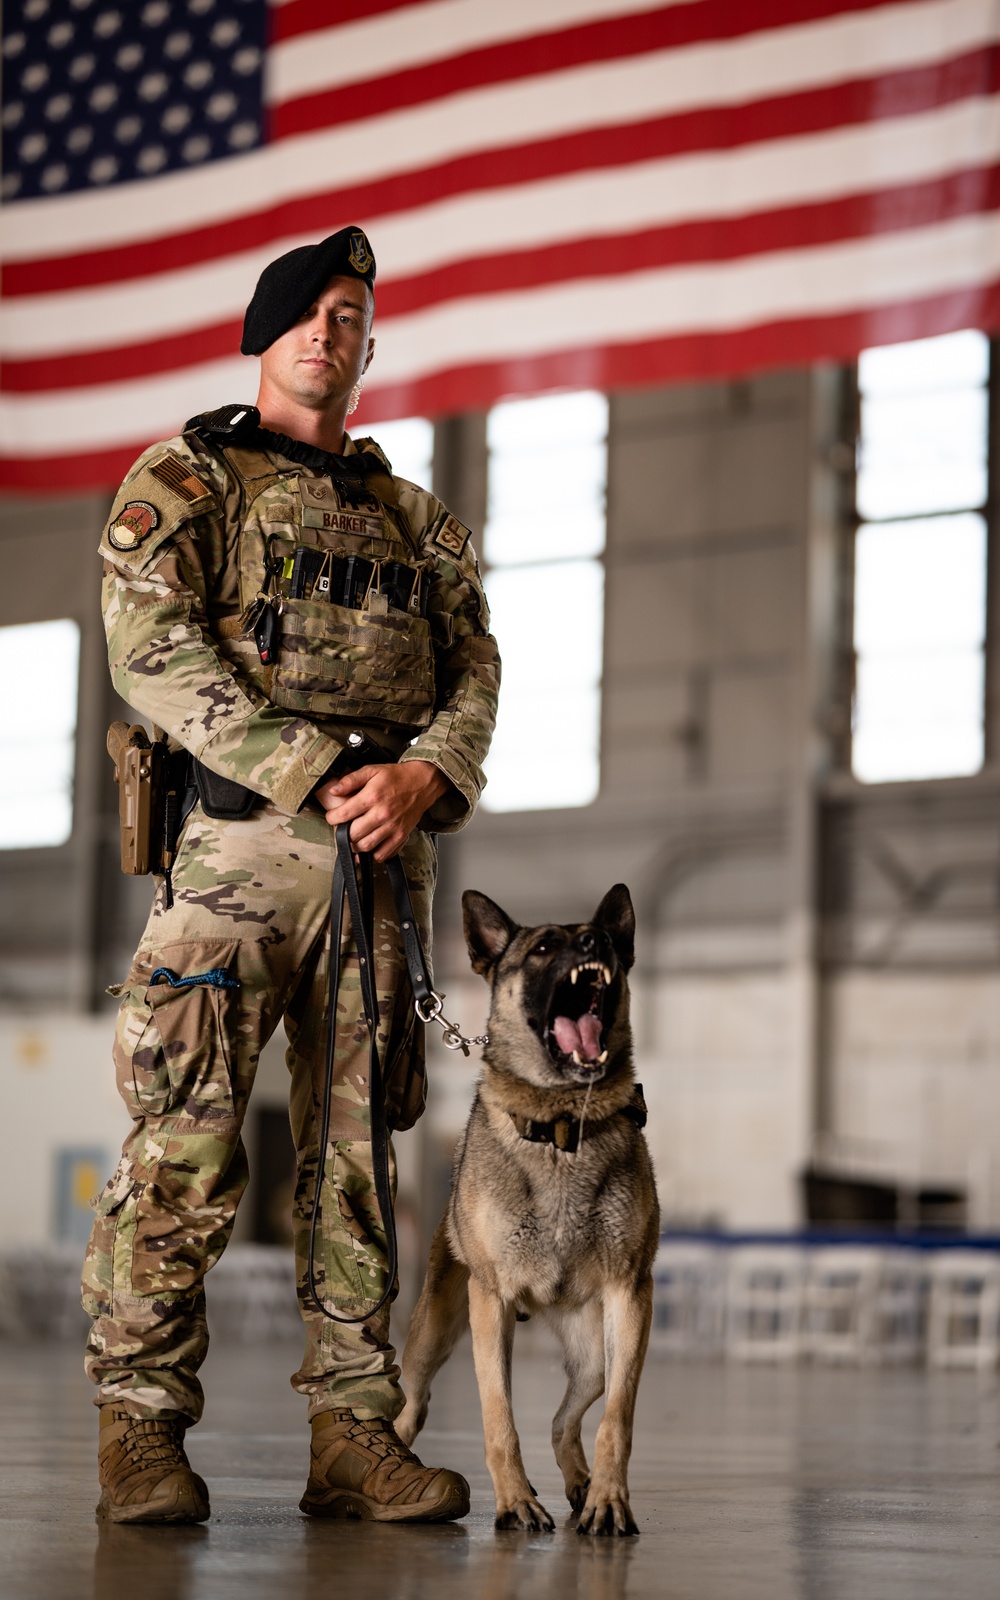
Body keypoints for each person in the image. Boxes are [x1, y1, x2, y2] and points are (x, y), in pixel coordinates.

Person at [82, 226, 500, 1525]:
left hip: (381, 872)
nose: (333, 330)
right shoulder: (189, 481)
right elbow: (149, 652)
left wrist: (428, 775)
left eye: (353, 315)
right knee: (188, 1146)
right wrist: (312, 764)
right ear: (266, 335)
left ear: (371, 349)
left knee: (361, 1161)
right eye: (312, 310)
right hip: (233, 861)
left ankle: (354, 1432)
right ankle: (142, 1432)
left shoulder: (412, 521)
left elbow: (475, 667)